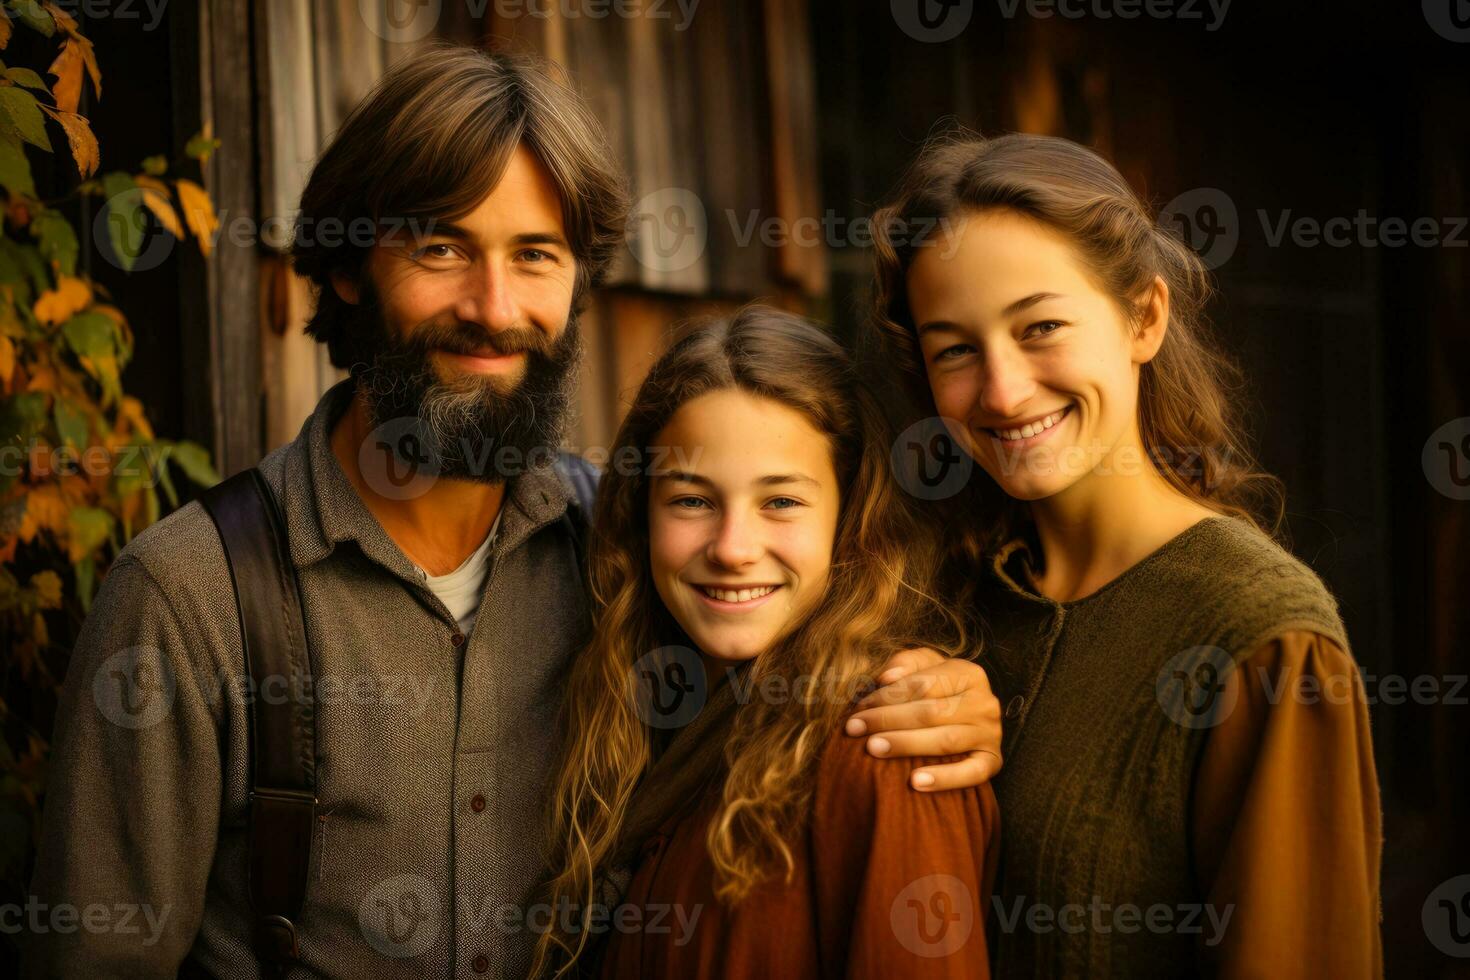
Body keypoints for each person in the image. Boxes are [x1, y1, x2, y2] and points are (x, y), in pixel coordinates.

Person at [24, 49, 1004, 978]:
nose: (493, 306)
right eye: (441, 246)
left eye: (536, 253)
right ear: (348, 266)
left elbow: (801, 671)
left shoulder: (625, 553)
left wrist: (945, 695)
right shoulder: (190, 597)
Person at [868, 131, 1384, 977]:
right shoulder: (933, 596)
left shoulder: (1263, 636)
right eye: (956, 349)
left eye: (1040, 326)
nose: (1002, 391)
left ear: (1144, 317)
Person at [532, 307, 999, 979]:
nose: (732, 549)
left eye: (780, 502)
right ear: (640, 512)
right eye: (692, 501)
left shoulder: (888, 748)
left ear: (850, 518)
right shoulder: (639, 718)